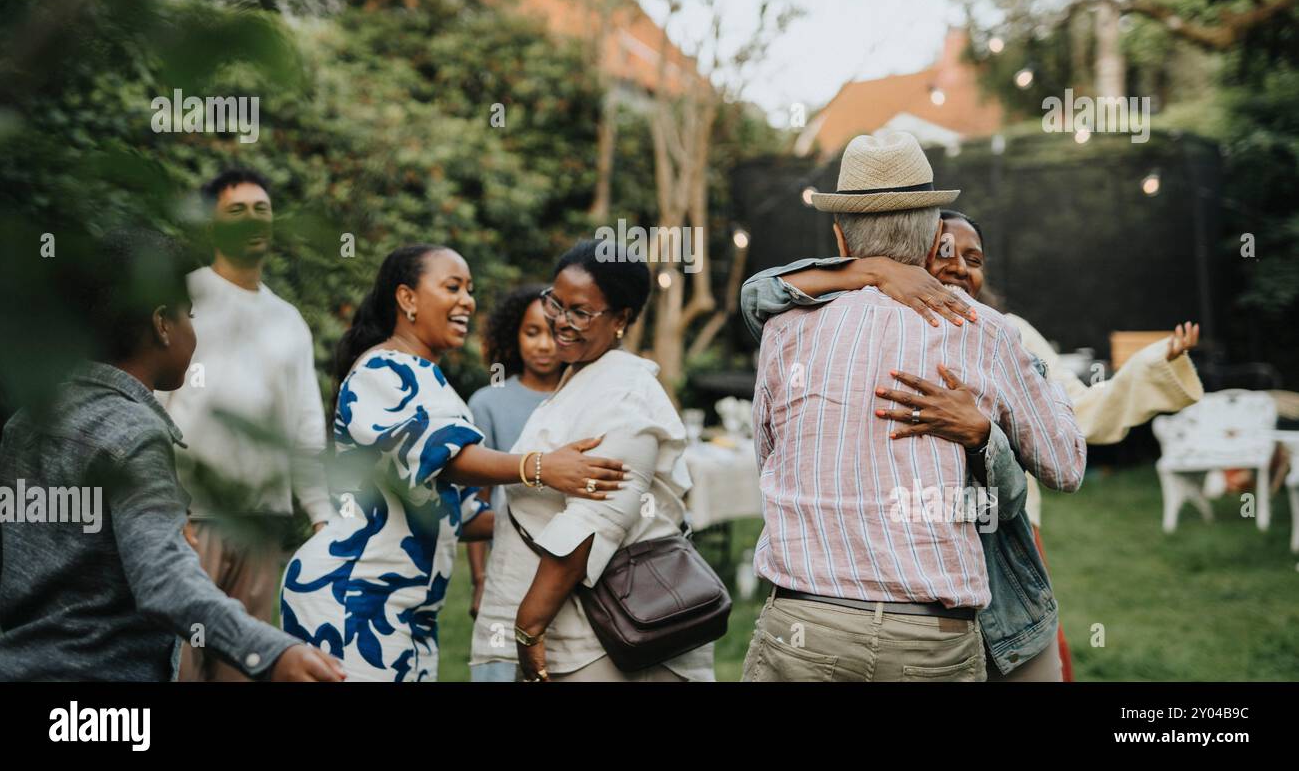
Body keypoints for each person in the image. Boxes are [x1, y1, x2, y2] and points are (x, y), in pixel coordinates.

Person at [742, 206, 1202, 680]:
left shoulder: (1000, 334)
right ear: (911, 259)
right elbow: (759, 293)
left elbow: (1069, 428)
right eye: (943, 251)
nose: (960, 266)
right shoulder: (843, 323)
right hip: (901, 597)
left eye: (974, 258)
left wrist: (983, 433)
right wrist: (871, 269)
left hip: (995, 561)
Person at [740, 130, 1086, 682]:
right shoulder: (985, 332)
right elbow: (1066, 464)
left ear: (839, 237)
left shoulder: (785, 331)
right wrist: (1028, 383)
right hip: (933, 638)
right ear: (932, 236)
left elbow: (767, 459)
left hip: (805, 624)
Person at [0, 227, 344, 681]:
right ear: (162, 324)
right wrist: (269, 650)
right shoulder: (134, 432)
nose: (193, 329)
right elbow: (164, 582)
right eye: (189, 315)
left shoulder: (25, 423)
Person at [279, 244, 626, 681]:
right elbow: (445, 457)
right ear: (407, 299)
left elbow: (461, 513)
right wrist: (540, 467)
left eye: (470, 289)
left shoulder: (431, 378)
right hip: (352, 595)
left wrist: (574, 517)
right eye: (452, 287)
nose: (467, 300)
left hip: (406, 608)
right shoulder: (383, 370)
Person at [471, 240, 715, 682]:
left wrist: (528, 627)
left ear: (621, 319)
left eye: (580, 312)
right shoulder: (580, 375)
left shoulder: (624, 394)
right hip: (584, 633)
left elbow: (592, 523)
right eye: (555, 303)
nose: (559, 322)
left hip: (605, 638)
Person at [158, 168, 336, 682]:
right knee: (181, 668)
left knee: (249, 666)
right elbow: (149, 405)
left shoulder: (289, 320)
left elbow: (304, 426)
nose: (253, 220)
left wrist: (322, 516)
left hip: (260, 525)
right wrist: (167, 508)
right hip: (191, 523)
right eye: (237, 210)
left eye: (262, 209)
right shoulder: (183, 299)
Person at [466, 284, 562, 682]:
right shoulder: (487, 403)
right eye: (531, 332)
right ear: (514, 336)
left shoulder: (585, 396)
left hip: (570, 567)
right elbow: (476, 501)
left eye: (552, 332)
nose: (543, 345)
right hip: (509, 567)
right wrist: (479, 580)